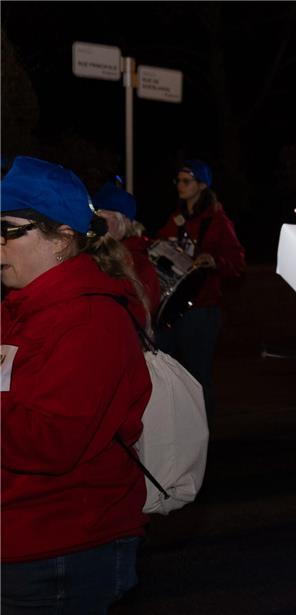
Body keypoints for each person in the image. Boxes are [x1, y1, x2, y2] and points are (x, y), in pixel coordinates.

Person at [1, 157, 152, 613]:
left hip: (58, 550)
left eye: (9, 229)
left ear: (63, 240)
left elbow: (53, 442)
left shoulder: (90, 320)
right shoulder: (18, 308)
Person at [155, 159, 246, 420]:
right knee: (164, 370)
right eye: (178, 181)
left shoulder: (218, 220)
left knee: (197, 376)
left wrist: (215, 261)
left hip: (202, 310)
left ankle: (202, 436)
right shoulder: (177, 217)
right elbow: (161, 242)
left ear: (202, 185)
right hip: (172, 308)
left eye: (186, 181)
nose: (180, 186)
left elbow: (238, 264)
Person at [93, 181, 162, 316]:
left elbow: (143, 311)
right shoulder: (96, 250)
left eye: (103, 218)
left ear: (125, 222)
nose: (96, 225)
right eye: (95, 218)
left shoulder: (139, 260)